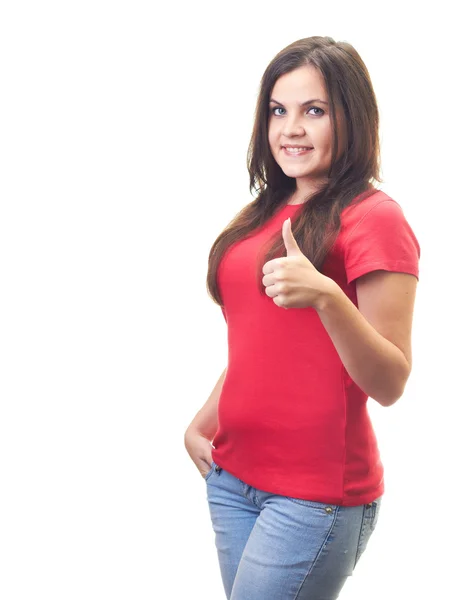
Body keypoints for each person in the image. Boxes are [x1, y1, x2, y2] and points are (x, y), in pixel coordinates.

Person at [184, 35, 420, 600]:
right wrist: (202, 423)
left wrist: (327, 297)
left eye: (313, 111)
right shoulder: (262, 213)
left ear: (351, 118)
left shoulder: (375, 217)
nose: (291, 128)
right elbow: (259, 348)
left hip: (312, 497)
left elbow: (390, 381)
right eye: (278, 110)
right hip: (232, 480)